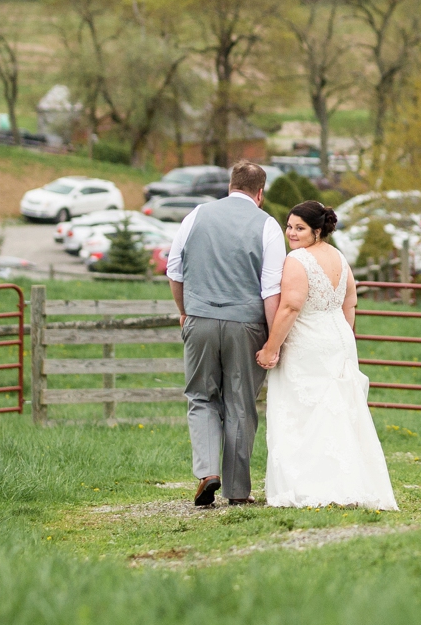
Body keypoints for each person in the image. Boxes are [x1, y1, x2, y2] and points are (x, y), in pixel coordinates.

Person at [255, 200, 397, 511]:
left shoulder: (298, 260)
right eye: (289, 226)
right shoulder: (340, 258)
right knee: (339, 411)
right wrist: (342, 339)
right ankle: (347, 483)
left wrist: (271, 347)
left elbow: (290, 307)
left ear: (317, 230)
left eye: (299, 228)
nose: (291, 233)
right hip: (339, 339)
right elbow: (350, 303)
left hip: (308, 343)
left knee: (303, 412)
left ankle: (308, 486)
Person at [168, 159, 285, 508]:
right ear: (260, 193)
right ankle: (237, 490)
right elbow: (271, 289)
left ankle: (207, 472)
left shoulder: (196, 215)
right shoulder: (268, 226)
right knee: (240, 404)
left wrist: (185, 311)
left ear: (230, 185)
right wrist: (270, 339)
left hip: (200, 317)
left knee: (201, 396)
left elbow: (175, 270)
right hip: (246, 324)